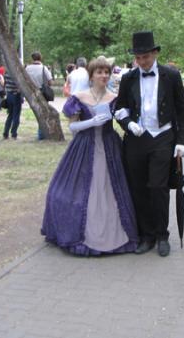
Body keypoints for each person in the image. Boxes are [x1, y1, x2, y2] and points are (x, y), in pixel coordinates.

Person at [40, 57, 138, 255]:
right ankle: (81, 234)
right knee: (68, 191)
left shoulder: (115, 98)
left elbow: (122, 119)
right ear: (91, 75)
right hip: (84, 147)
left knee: (111, 190)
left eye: (106, 72)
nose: (103, 75)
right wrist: (91, 122)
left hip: (110, 147)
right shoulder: (79, 97)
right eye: (99, 72)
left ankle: (114, 235)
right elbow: (72, 127)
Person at [115, 31, 184, 257]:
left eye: (145, 56)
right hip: (137, 140)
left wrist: (182, 141)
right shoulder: (128, 78)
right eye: (138, 57)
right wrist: (128, 124)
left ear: (155, 53)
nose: (142, 61)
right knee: (138, 188)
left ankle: (162, 235)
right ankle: (146, 235)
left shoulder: (171, 76)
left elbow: (182, 111)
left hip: (163, 136)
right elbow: (119, 109)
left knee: (158, 187)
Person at [26, 52, 53, 140]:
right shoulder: (43, 68)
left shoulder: (27, 68)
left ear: (32, 58)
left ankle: (41, 133)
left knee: (38, 112)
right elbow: (50, 81)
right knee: (44, 113)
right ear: (40, 58)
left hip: (31, 92)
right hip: (42, 92)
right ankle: (41, 134)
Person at [2, 69, 23, 140]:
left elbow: (4, 84)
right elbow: (19, 84)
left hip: (9, 95)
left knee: (10, 114)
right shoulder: (16, 74)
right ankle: (14, 133)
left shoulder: (6, 72)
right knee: (16, 115)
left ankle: (5, 132)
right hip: (16, 95)